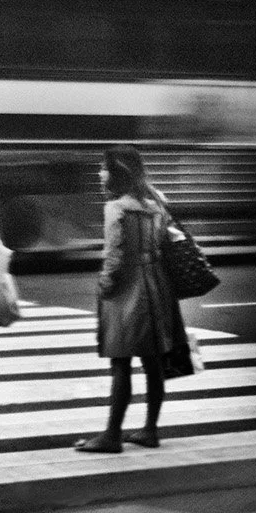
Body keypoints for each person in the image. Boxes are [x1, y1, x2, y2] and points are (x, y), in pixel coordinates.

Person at [77, 146, 185, 454]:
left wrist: (105, 287)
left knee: (120, 362)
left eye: (104, 168)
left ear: (118, 172)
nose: (100, 173)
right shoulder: (156, 203)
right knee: (153, 363)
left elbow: (114, 255)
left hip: (128, 289)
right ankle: (150, 430)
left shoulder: (116, 208)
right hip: (157, 286)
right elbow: (168, 241)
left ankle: (112, 435)